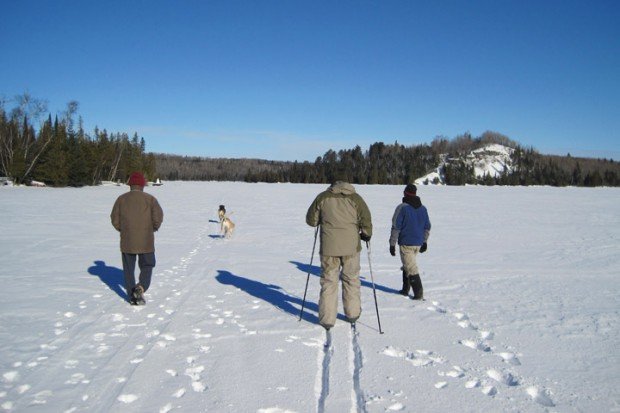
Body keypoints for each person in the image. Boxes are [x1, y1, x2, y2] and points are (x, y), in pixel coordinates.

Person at [306, 180, 372, 330]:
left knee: (329, 282)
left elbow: (311, 220)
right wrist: (367, 234)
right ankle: (353, 313)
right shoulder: (356, 198)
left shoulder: (322, 197)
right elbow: (366, 219)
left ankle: (327, 319)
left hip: (329, 248)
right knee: (351, 279)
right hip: (351, 248)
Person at [111, 172, 164, 305]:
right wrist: (153, 228)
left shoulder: (121, 199)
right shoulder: (150, 199)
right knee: (148, 264)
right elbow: (158, 217)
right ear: (142, 185)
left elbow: (114, 219)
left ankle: (132, 296)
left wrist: (123, 230)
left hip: (127, 240)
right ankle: (141, 287)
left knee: (128, 269)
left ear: (130, 185)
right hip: (146, 240)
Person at [389, 184, 431, 300]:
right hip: (418, 243)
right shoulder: (423, 209)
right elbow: (427, 227)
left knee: (411, 268)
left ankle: (418, 294)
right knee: (407, 265)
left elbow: (396, 227)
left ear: (405, 193)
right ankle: (405, 289)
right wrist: (424, 241)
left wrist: (392, 244)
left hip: (406, 244)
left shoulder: (402, 208)